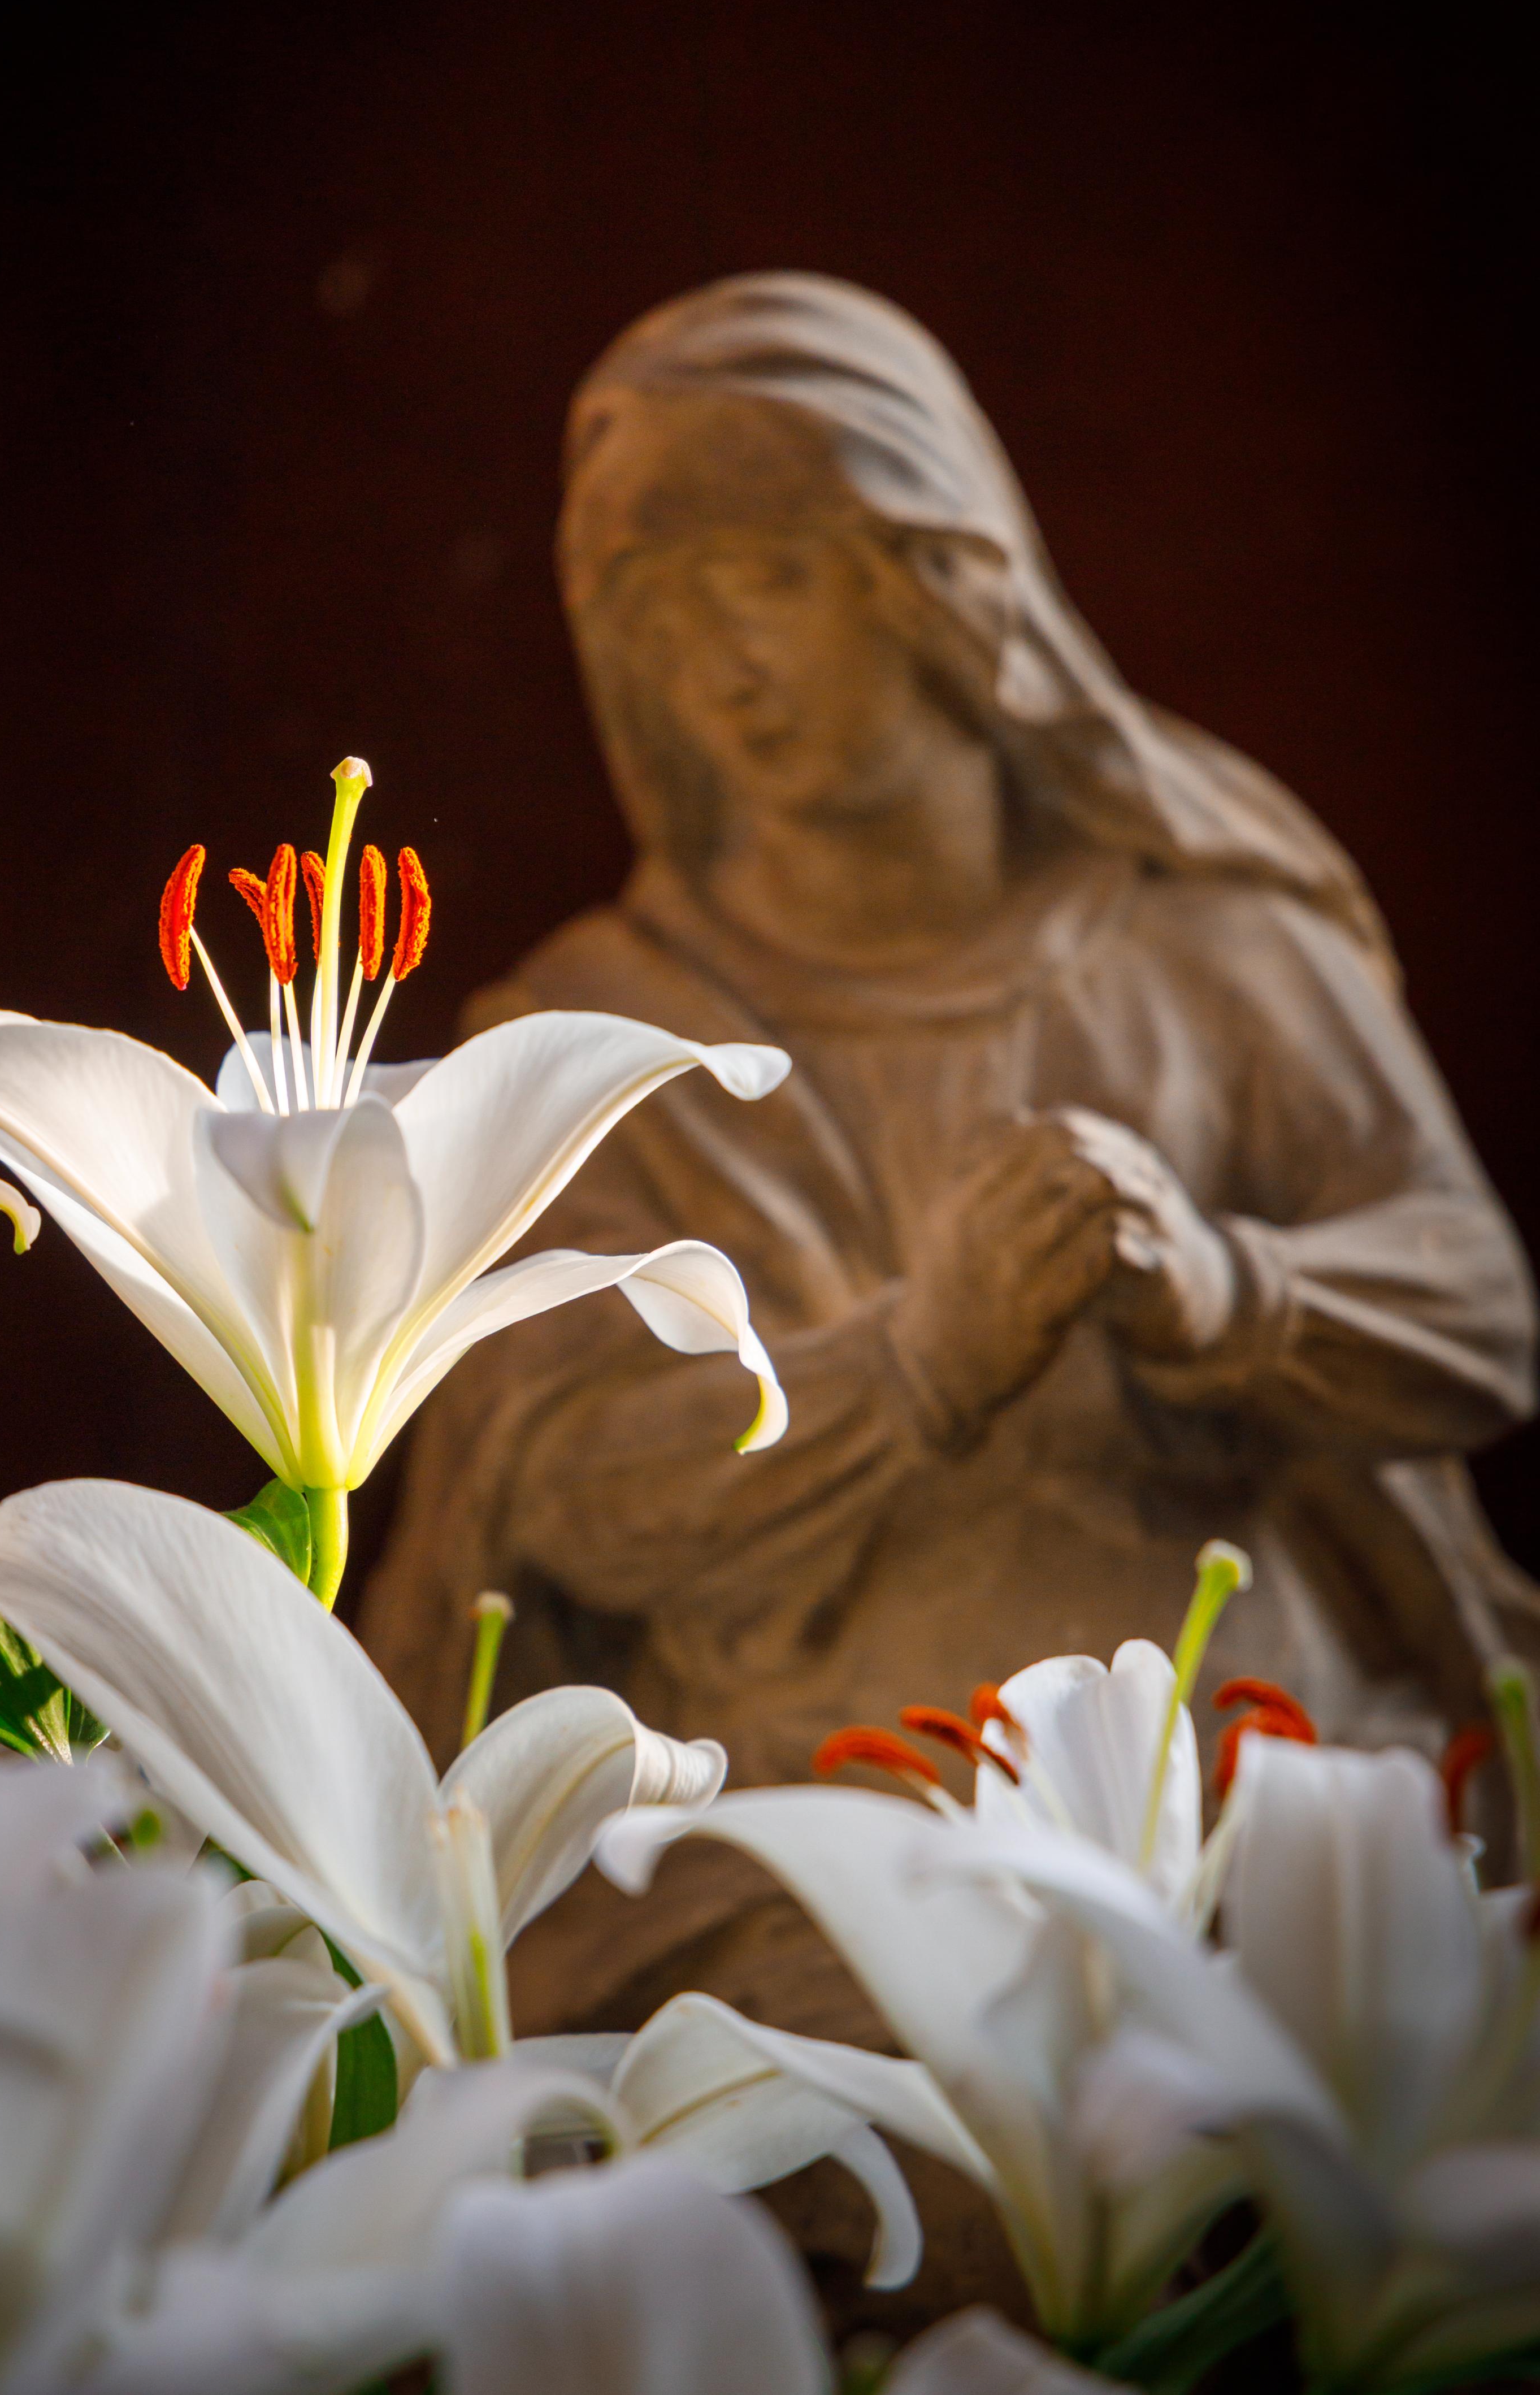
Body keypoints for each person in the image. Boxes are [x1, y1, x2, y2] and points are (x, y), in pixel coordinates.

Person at [360, 272, 1535, 2310]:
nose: (722, 659)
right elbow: (549, 1491)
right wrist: (911, 1367)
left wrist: (1226, 1288)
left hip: (1290, 1804)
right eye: (658, 606)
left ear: (935, 574)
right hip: (801, 1840)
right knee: (938, 2119)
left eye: (773, 575)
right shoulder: (593, 1038)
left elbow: (1481, 1315)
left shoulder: (1211, 953)